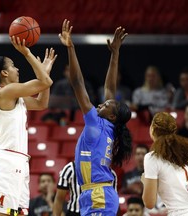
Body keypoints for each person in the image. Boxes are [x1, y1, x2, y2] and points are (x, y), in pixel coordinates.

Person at [0, 36, 56, 215]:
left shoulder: (14, 96)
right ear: (4, 73)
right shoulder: (6, 92)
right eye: (12, 65)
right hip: (7, 165)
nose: (17, 68)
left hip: (18, 165)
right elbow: (44, 82)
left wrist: (45, 71)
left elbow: (42, 103)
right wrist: (27, 53)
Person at [59, 19, 132, 216]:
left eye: (106, 105)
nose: (101, 103)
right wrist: (115, 54)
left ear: (113, 115)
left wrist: (71, 48)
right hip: (94, 193)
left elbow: (77, 82)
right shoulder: (108, 125)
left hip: (97, 193)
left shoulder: (95, 123)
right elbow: (110, 88)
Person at [141, 112, 188, 216]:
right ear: (174, 130)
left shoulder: (152, 158)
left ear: (152, 129)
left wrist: (145, 181)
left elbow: (149, 203)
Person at [53, 161, 118, 216]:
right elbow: (59, 199)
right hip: (75, 213)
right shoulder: (70, 168)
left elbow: (112, 203)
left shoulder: (110, 173)